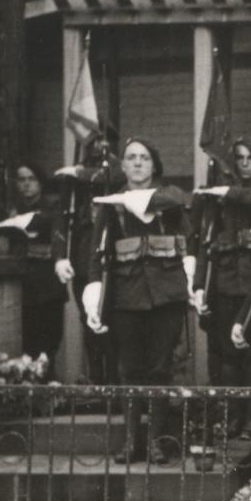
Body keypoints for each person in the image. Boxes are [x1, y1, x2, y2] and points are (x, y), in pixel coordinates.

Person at [83, 137, 195, 465]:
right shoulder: (110, 205)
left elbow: (188, 238)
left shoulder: (169, 201)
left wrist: (193, 285)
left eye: (144, 158)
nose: (137, 163)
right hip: (126, 299)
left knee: (160, 368)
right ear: (123, 166)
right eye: (130, 158)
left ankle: (157, 441)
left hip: (166, 297)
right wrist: (93, 295)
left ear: (154, 165)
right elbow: (96, 253)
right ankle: (132, 440)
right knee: (128, 369)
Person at [191, 136, 251, 446]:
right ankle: (233, 418)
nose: (244, 163)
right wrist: (199, 286)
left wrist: (229, 192)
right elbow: (206, 245)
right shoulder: (218, 201)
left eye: (249, 158)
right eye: (238, 158)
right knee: (228, 356)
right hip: (225, 283)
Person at [49, 134, 119, 383]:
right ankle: (99, 384)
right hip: (82, 259)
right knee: (90, 323)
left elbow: (114, 175)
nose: (98, 146)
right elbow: (61, 218)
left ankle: (115, 385)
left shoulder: (118, 173)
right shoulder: (73, 183)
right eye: (92, 142)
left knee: (113, 325)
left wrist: (80, 173)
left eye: (103, 140)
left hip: (112, 261)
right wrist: (59, 256)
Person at [2, 163, 67, 362]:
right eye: (22, 180)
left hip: (48, 284)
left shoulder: (53, 208)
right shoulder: (10, 210)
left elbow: (58, 238)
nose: (26, 184)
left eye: (31, 179)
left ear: (40, 183)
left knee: (48, 346)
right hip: (23, 285)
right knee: (26, 345)